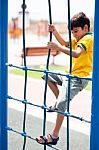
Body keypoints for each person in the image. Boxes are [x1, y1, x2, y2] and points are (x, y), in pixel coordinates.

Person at [36, 12, 93, 145]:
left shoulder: (88, 39)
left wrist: (57, 48)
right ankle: (58, 101)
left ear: (86, 28)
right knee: (47, 75)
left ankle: (54, 136)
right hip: (69, 75)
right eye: (72, 32)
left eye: (76, 31)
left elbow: (77, 54)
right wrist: (55, 32)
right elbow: (64, 42)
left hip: (79, 78)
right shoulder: (79, 38)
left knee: (63, 103)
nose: (74, 34)